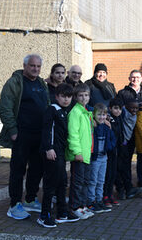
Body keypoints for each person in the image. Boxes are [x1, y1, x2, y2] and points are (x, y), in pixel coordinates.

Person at [0, 54, 49, 220]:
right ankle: (14, 205)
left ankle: (30, 199)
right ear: (25, 65)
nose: (35, 69)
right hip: (21, 134)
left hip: (39, 134)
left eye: (38, 66)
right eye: (32, 66)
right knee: (18, 170)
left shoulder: (42, 83)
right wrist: (12, 130)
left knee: (37, 169)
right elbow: (5, 107)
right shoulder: (14, 82)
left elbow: (47, 105)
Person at [38, 83, 79, 228]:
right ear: (57, 96)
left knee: (62, 183)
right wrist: (48, 148)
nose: (66, 99)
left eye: (69, 97)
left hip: (61, 153)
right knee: (50, 184)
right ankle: (44, 215)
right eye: (63, 96)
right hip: (52, 153)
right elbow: (46, 130)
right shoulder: (52, 109)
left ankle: (62, 212)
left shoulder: (65, 111)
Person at [66, 83, 94, 220]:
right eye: (81, 95)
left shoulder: (86, 112)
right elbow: (73, 134)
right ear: (76, 97)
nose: (84, 97)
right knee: (77, 182)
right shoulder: (75, 113)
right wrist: (77, 152)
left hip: (87, 154)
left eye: (86, 95)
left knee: (85, 182)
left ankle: (82, 206)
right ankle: (75, 207)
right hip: (79, 155)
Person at [87, 103, 116, 214]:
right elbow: (88, 109)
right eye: (99, 115)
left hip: (104, 157)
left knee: (101, 180)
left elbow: (113, 140)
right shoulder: (93, 127)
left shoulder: (107, 128)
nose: (102, 117)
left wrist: (108, 147)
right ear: (94, 115)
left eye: (104, 115)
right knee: (93, 180)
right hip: (95, 159)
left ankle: (99, 200)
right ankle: (91, 201)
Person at [115, 99, 141, 200]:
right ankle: (121, 189)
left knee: (126, 166)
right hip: (120, 143)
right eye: (132, 108)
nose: (134, 110)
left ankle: (128, 188)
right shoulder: (123, 114)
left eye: (136, 108)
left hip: (127, 142)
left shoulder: (134, 116)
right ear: (126, 107)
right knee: (120, 167)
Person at [103, 98, 123, 207]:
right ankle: (105, 195)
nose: (118, 111)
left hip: (116, 151)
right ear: (110, 108)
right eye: (115, 108)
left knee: (113, 174)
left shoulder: (119, 119)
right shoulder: (109, 119)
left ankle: (110, 194)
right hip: (109, 151)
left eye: (120, 109)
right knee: (108, 173)